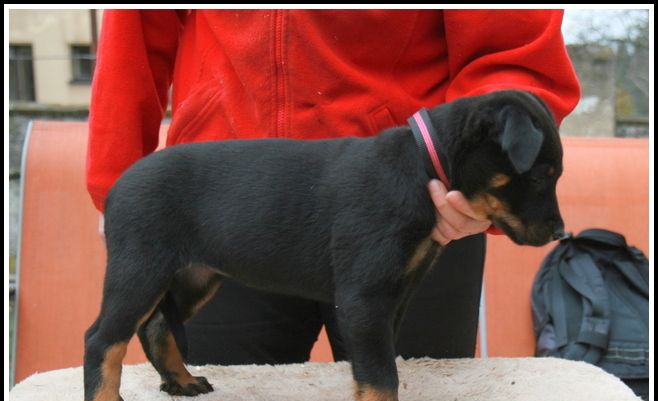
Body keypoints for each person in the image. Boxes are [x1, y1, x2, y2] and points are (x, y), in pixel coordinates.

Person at [86, 9, 580, 365]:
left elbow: (513, 44)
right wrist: (119, 187)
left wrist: (477, 160)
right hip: (224, 197)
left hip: (418, 199)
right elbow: (137, 25)